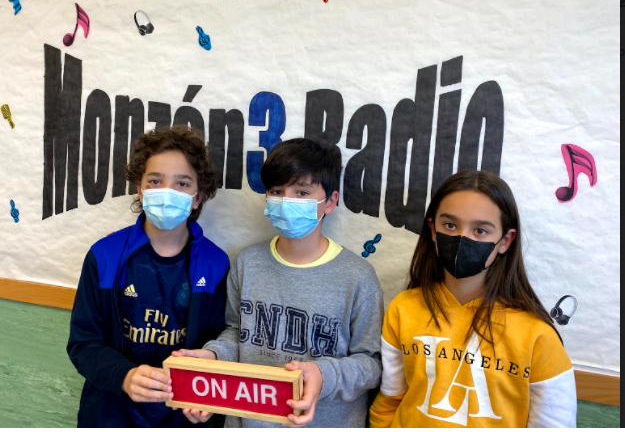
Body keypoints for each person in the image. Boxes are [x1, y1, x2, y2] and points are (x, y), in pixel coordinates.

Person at [173, 138, 384, 427]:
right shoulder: (247, 263)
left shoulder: (357, 277)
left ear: (330, 201)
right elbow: (236, 334)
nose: (287, 201)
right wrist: (213, 357)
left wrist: (324, 375)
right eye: (276, 191)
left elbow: (372, 363)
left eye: (302, 192)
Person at [369, 170, 577, 428]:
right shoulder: (403, 308)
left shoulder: (537, 336)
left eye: (480, 230)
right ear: (433, 230)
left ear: (505, 240)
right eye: (450, 225)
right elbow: (390, 402)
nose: (463, 238)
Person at [67, 125, 229, 427]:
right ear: (140, 190)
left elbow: (220, 346)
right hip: (110, 414)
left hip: (184, 416)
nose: (167, 192)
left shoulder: (215, 264)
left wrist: (208, 395)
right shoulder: (104, 256)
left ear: (198, 197)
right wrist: (124, 376)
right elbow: (83, 344)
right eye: (155, 181)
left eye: (182, 183)